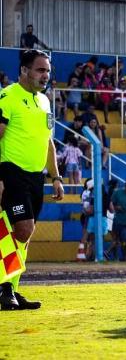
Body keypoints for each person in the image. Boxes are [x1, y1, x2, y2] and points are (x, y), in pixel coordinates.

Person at [0, 49, 64, 310]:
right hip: (12, 172)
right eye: (41, 70)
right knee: (22, 229)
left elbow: (48, 142)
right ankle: (5, 287)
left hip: (37, 177)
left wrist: (56, 176)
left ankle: (11, 290)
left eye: (48, 71)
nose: (46, 75)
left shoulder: (46, 102)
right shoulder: (7, 96)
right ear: (24, 71)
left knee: (24, 236)